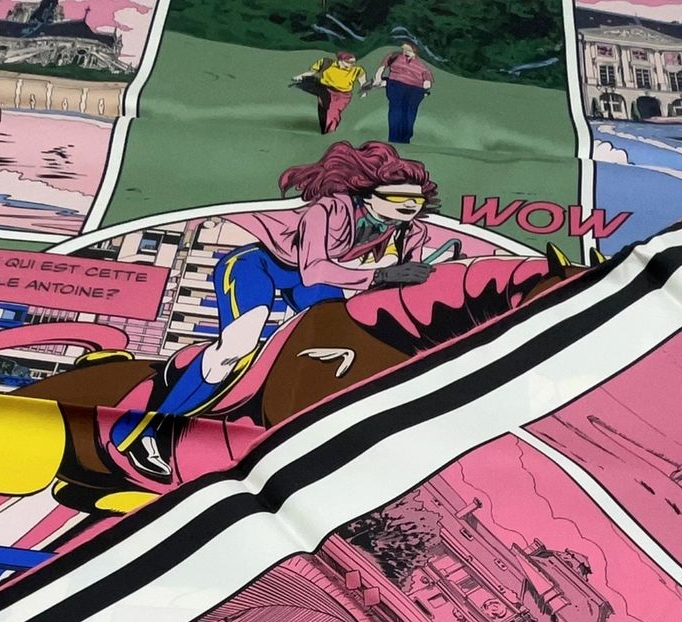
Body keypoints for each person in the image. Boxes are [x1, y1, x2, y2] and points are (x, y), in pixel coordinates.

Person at [110, 142, 438, 479]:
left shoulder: (413, 231)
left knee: (347, 342)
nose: (409, 206)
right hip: (259, 267)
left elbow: (398, 287)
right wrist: (381, 275)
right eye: (397, 197)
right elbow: (314, 270)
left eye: (416, 201)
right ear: (366, 194)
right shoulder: (330, 209)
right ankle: (144, 429)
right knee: (238, 345)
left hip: (313, 283)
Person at [291, 48, 367, 135]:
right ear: (340, 61)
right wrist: (301, 76)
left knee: (333, 111)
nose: (352, 64)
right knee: (323, 110)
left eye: (353, 62)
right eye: (349, 62)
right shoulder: (327, 63)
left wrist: (363, 91)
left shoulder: (357, 70)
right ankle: (325, 130)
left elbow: (363, 81)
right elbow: (313, 72)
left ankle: (330, 133)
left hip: (343, 95)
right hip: (325, 90)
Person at [373, 42, 434, 144]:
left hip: (415, 89)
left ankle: (405, 138)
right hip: (396, 84)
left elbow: (428, 80)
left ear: (415, 51)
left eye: (408, 50)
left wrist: (425, 86)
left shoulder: (421, 65)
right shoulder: (394, 56)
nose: (405, 52)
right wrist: (378, 78)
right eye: (404, 49)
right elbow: (382, 66)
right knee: (396, 109)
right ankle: (394, 138)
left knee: (410, 112)